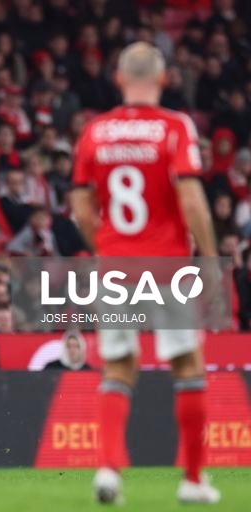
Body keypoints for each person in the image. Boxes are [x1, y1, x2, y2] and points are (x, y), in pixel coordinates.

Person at [70, 42, 220, 504]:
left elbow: (79, 206)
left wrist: (106, 249)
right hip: (167, 264)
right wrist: (210, 261)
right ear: (163, 79)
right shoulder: (175, 127)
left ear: (118, 79)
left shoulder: (95, 132)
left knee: (118, 365)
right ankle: (193, 481)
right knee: (187, 365)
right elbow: (191, 199)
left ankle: (109, 470)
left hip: (115, 266)